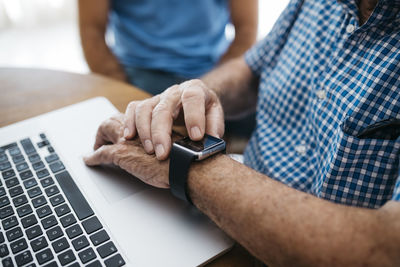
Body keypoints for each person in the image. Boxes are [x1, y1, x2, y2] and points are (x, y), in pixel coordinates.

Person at [84, 0, 400, 265]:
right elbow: (253, 67)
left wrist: (188, 164)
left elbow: (385, 248)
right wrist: (202, 90)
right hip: (218, 212)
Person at [78, 0, 258, 95]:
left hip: (215, 68)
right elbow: (91, 31)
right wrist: (123, 92)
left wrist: (218, 86)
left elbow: (246, 29)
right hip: (140, 72)